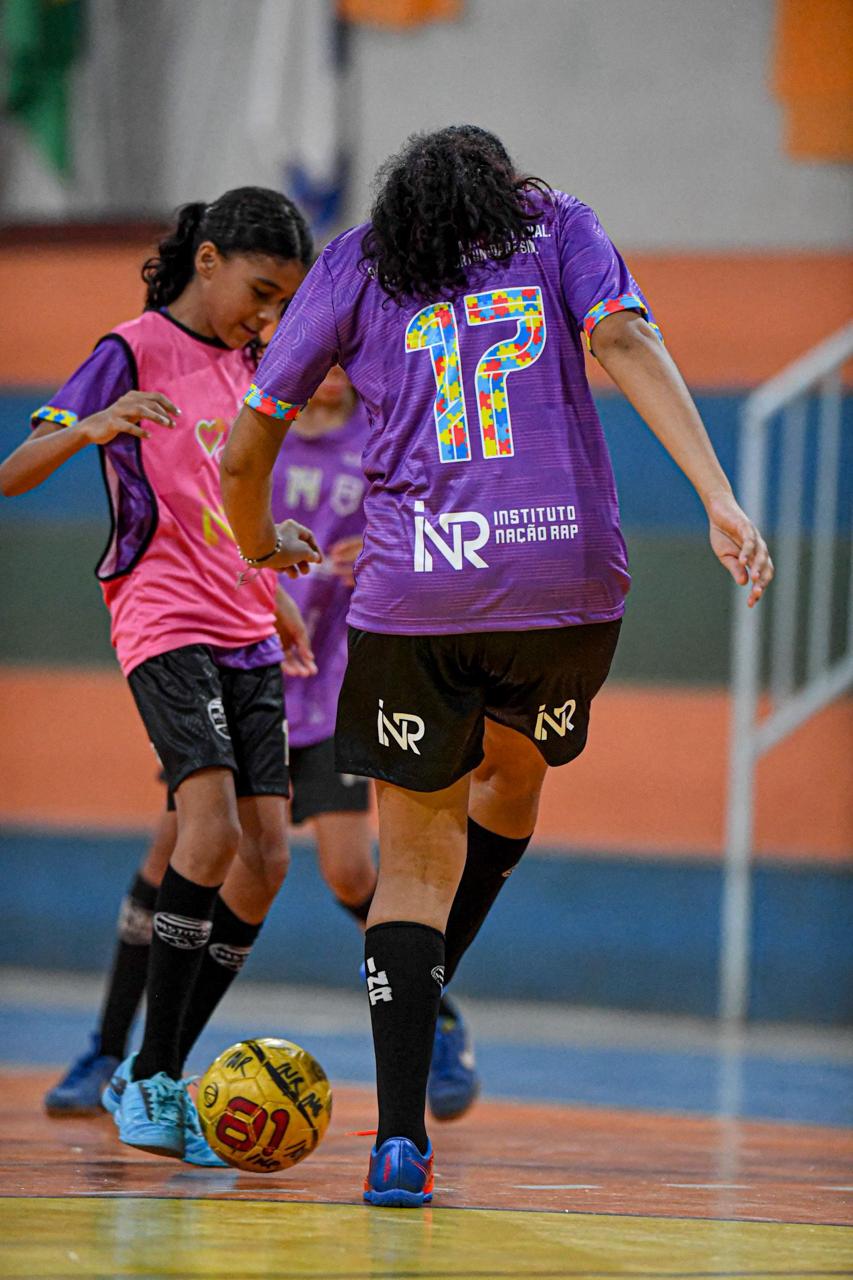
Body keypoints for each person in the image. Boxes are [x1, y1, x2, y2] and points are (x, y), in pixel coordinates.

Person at [221, 124, 773, 1207]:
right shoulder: (557, 224)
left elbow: (248, 447)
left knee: (411, 864)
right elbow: (624, 339)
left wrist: (257, 545)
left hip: (417, 594)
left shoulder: (358, 259)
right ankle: (428, 985)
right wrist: (716, 496)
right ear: (503, 190)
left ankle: (398, 1142)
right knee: (512, 782)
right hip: (564, 582)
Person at [42, 363, 482, 1126]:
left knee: (350, 870)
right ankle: (109, 1051)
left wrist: (382, 554)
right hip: (241, 676)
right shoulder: (247, 436)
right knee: (173, 853)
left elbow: (434, 527)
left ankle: (436, 1016)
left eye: (346, 359)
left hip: (333, 689)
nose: (334, 373)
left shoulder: (378, 439)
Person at [0, 187, 321, 1165]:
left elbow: (231, 499)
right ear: (208, 259)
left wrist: (273, 575)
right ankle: (146, 1073)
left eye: (283, 303)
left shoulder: (252, 367)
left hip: (245, 621)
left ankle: (159, 1068)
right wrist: (90, 427)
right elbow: (14, 469)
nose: (267, 316)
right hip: (163, 614)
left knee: (268, 859)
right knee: (207, 829)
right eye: (260, 292)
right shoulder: (130, 350)